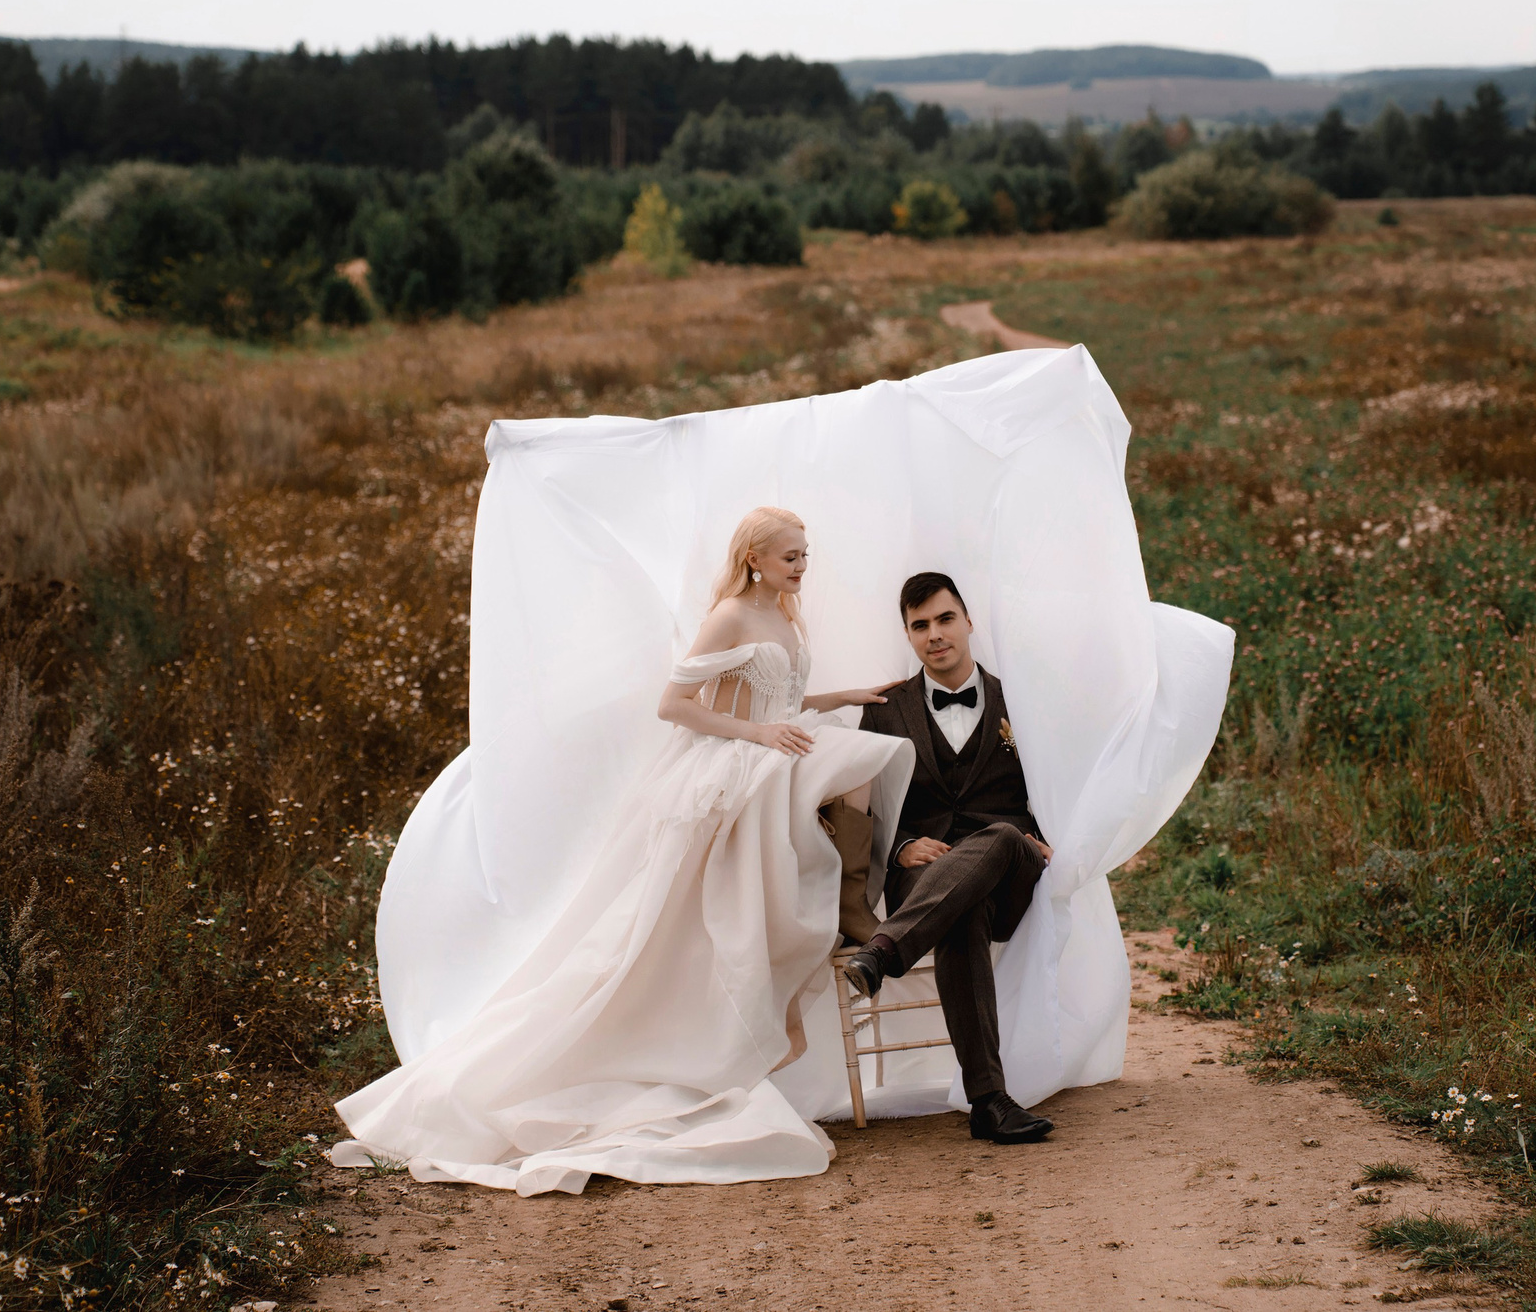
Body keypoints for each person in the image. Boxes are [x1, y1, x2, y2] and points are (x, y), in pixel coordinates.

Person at [330, 507, 912, 1194]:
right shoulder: (729, 614)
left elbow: (777, 691)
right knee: (850, 768)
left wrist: (838, 695)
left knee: (865, 757)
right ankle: (833, 909)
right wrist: (759, 739)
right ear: (755, 557)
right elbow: (676, 704)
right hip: (732, 761)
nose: (802, 568)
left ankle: (844, 899)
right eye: (791, 557)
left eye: (806, 555)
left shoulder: (786, 613)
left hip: (769, 750)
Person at [838, 571, 1058, 1145]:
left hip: (1012, 867)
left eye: (944, 619)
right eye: (920, 626)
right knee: (962, 913)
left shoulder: (1021, 701)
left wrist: (1052, 833)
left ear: (967, 621)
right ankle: (989, 1103)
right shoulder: (885, 710)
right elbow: (870, 811)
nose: (934, 635)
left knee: (1006, 836)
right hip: (925, 880)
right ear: (908, 635)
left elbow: (1057, 787)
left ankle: (883, 953)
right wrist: (904, 845)